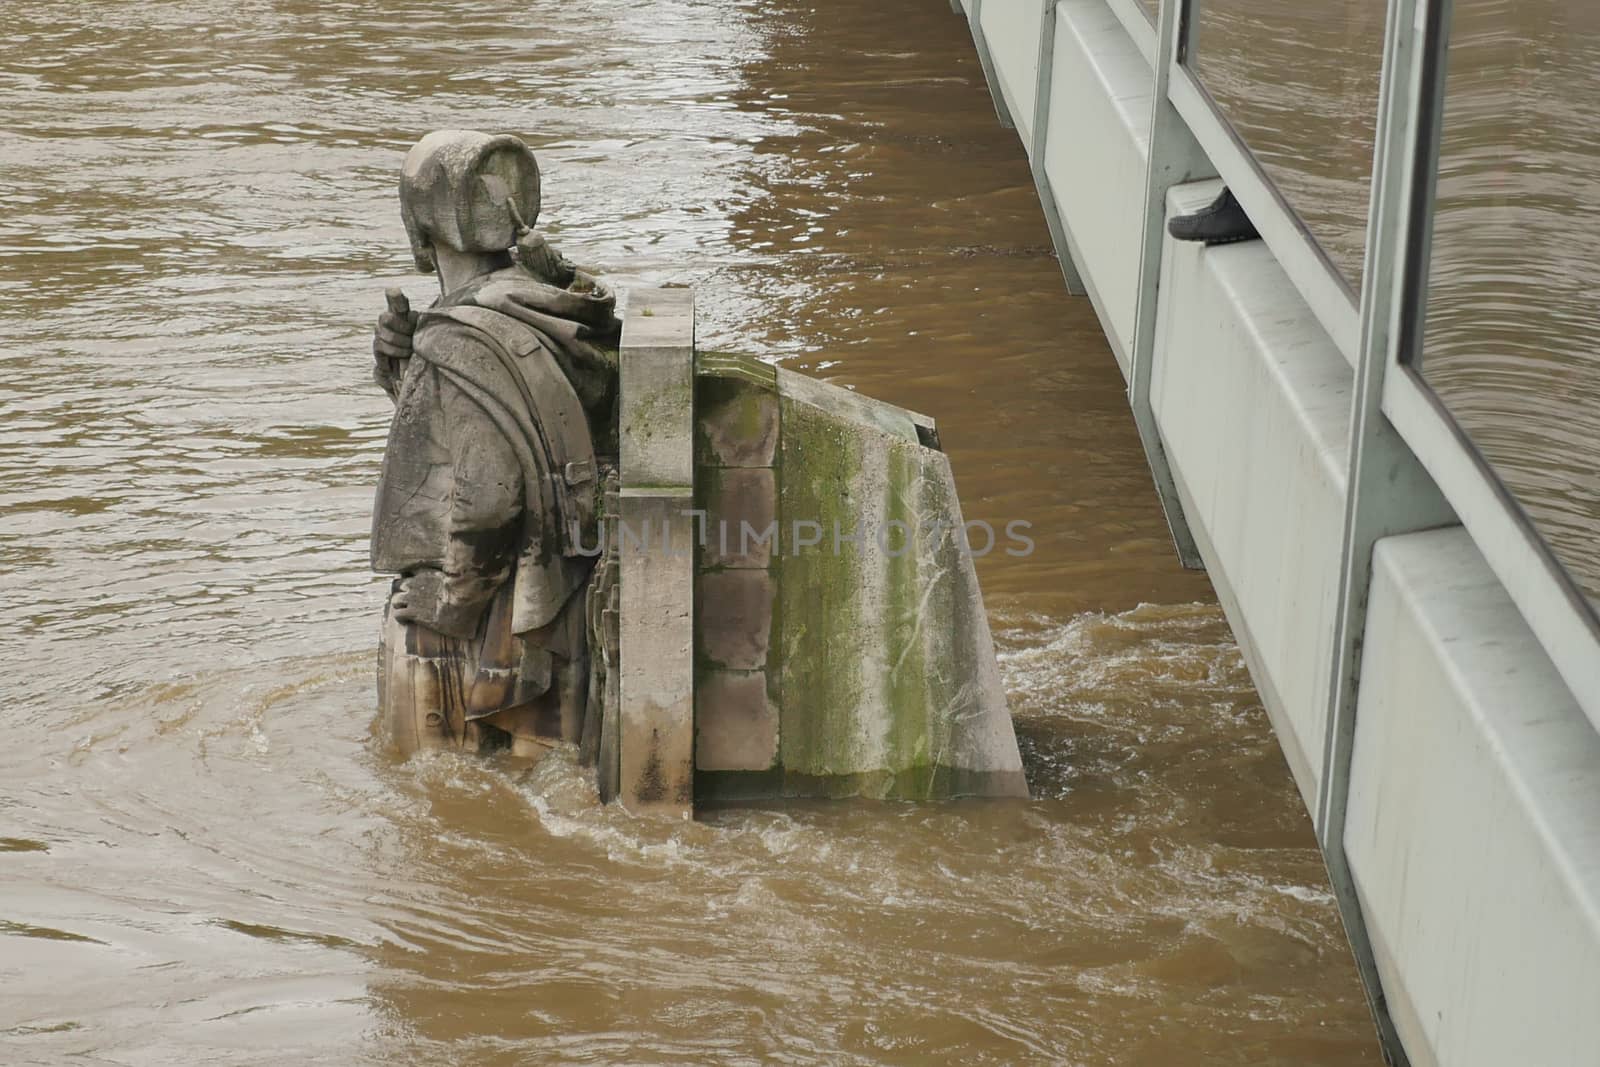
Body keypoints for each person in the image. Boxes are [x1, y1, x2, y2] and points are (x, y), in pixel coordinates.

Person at [369, 129, 618, 758]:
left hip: (479, 632)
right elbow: (495, 429)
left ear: (420, 227)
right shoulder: (548, 308)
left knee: (444, 821)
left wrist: (448, 602)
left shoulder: (463, 344)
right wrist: (400, 367)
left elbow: (489, 497)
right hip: (552, 599)